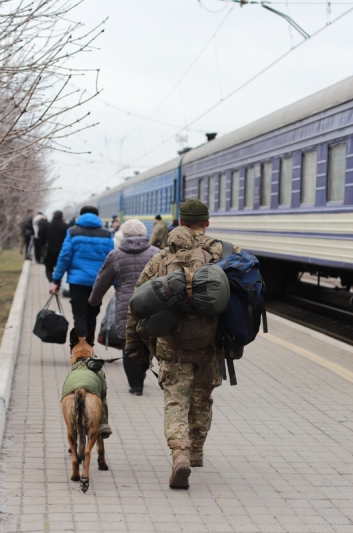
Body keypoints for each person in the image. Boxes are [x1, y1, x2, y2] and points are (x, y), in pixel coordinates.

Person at [125, 198, 241, 489]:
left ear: (180, 223)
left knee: (176, 399)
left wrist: (134, 346)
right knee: (202, 398)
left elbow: (136, 304)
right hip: (210, 344)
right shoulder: (226, 253)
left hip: (171, 345)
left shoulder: (160, 258)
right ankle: (198, 450)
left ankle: (180, 452)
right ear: (207, 222)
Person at [88, 219, 159, 396]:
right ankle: (141, 373)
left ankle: (136, 385)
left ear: (124, 235)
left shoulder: (115, 255)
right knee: (147, 342)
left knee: (128, 345)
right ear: (144, 234)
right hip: (151, 305)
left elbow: (101, 280)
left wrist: (94, 300)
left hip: (125, 306)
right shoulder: (156, 253)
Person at [50, 206, 114, 349]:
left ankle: (81, 349)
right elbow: (111, 261)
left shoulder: (72, 231)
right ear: (98, 216)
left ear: (81, 215)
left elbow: (64, 257)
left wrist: (56, 280)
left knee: (79, 315)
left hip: (77, 281)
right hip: (98, 283)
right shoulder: (106, 234)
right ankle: (88, 348)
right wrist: (115, 283)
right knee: (92, 315)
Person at [44, 210, 69, 282]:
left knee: (48, 269)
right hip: (61, 251)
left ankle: (52, 282)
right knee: (59, 270)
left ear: (53, 216)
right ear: (62, 216)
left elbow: (42, 238)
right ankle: (57, 284)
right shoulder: (65, 226)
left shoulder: (48, 225)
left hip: (49, 251)